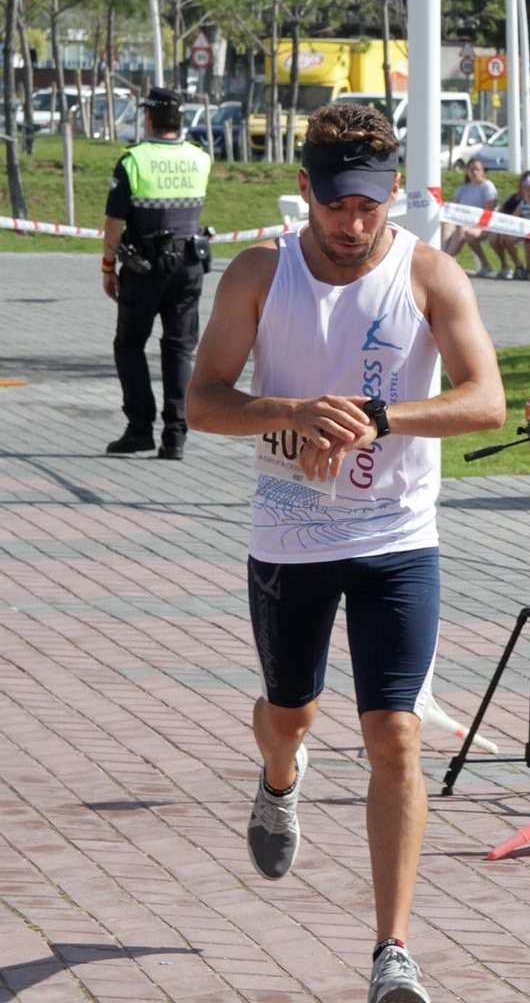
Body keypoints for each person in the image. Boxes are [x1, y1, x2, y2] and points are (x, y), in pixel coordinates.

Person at [186, 102, 506, 1003]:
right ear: (305, 194)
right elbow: (202, 402)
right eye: (336, 206)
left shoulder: (430, 274)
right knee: (290, 714)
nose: (353, 224)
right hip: (290, 529)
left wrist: (376, 417)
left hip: (398, 536)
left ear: (392, 195)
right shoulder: (259, 272)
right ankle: (279, 779)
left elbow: (486, 399)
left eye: (368, 205)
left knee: (395, 733)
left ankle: (391, 953)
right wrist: (292, 412)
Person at [102, 86, 213, 460]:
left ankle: (139, 429)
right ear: (179, 119)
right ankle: (176, 436)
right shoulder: (200, 158)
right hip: (189, 264)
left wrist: (108, 266)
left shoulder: (133, 160)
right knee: (180, 348)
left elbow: (115, 222)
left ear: (148, 118)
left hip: (144, 267)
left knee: (129, 344)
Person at [440, 158, 499, 277]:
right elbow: (452, 208)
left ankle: (445, 263)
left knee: (464, 231)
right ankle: (445, 258)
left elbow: (488, 211)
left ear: (482, 171)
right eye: (471, 169)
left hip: (482, 225)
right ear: (467, 171)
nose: (474, 172)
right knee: (447, 227)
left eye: (477, 169)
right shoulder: (463, 188)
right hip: (461, 223)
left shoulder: (487, 186)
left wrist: (470, 224)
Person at [489, 171, 530, 280]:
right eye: (526, 189)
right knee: (507, 239)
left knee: (529, 241)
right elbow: (514, 218)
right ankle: (519, 266)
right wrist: (507, 230)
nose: (529, 192)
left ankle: (529, 269)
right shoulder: (523, 203)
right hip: (526, 230)